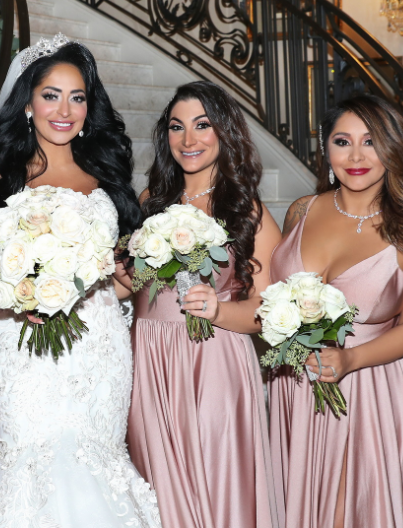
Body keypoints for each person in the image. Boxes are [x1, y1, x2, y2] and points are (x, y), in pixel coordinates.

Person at [0, 33, 162, 528]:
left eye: (77, 97)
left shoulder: (108, 177)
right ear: (28, 103)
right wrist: (16, 293)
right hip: (22, 343)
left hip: (98, 345)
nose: (64, 109)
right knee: (29, 461)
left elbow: (122, 280)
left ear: (90, 107)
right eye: (51, 95)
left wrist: (139, 272)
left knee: (96, 456)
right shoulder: (1, 178)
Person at [269, 94, 403, 528]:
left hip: (369, 386)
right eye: (342, 141)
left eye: (370, 142)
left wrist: (350, 358)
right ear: (325, 148)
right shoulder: (301, 210)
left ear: (391, 149)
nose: (355, 155)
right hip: (295, 382)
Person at [126, 82, 285, 528]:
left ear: (225, 132)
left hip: (214, 358)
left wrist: (217, 310)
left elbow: (266, 309)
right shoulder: (149, 204)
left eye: (202, 126)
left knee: (218, 479)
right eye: (177, 127)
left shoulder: (244, 209)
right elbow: (134, 286)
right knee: (155, 482)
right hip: (149, 359)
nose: (188, 140)